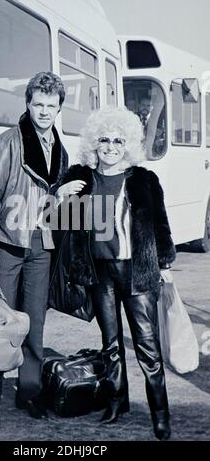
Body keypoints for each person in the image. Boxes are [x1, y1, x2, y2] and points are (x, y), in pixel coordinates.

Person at [54, 105, 176, 440]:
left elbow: (160, 225)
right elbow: (57, 219)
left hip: (137, 272)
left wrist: (165, 264)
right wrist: (60, 195)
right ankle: (116, 403)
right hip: (100, 273)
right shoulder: (80, 176)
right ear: (94, 143)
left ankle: (160, 416)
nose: (110, 146)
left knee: (147, 347)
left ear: (129, 144)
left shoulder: (144, 179)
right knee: (110, 345)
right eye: (104, 140)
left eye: (118, 140)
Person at [0, 71, 68, 431]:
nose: (44, 111)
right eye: (38, 104)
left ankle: (28, 392)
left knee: (34, 324)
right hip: (6, 248)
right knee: (0, 327)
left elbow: (55, 205)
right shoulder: (6, 144)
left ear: (59, 108)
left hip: (40, 248)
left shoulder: (59, 147)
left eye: (51, 105)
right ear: (27, 104)